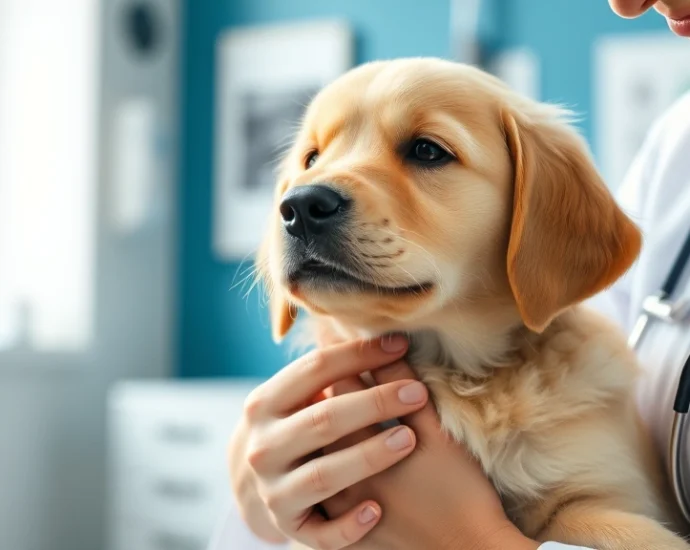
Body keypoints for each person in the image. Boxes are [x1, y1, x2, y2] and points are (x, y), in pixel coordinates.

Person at [216, 1, 690, 548]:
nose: (313, 196)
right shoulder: (677, 152)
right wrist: (258, 498)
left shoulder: (580, 406)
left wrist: (474, 540)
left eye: (425, 150)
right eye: (312, 158)